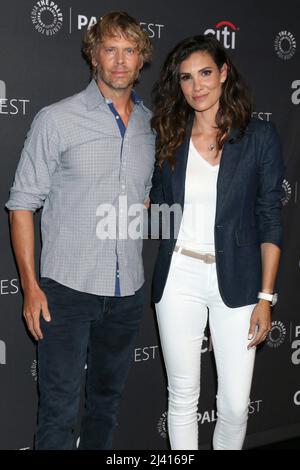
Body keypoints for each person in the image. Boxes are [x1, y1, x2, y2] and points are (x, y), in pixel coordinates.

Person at [6, 11, 154, 450]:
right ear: (93, 55)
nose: (120, 60)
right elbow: (21, 205)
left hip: (127, 291)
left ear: (142, 58)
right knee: (58, 410)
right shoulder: (58, 119)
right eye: (110, 49)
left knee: (106, 406)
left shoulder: (152, 125)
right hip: (66, 291)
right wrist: (31, 288)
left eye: (130, 50)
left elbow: (147, 197)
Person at [149, 35, 285, 450]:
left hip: (241, 280)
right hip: (179, 278)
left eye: (205, 73)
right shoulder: (169, 134)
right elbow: (155, 205)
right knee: (183, 397)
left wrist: (266, 296)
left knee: (233, 404)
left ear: (224, 73)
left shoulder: (258, 136)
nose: (197, 86)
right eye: (186, 78)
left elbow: (269, 216)